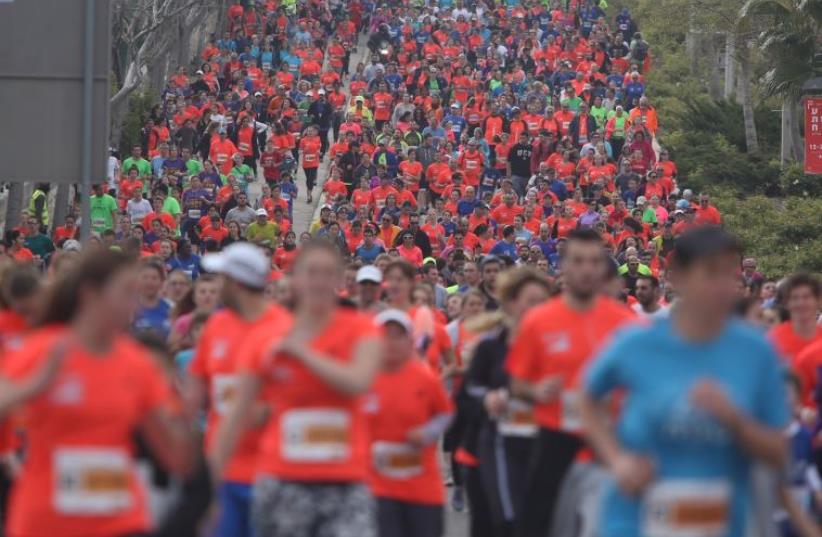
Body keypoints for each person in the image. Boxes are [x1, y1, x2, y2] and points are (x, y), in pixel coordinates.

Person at [579, 226, 789, 537]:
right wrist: (616, 459)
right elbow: (586, 395)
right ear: (676, 277)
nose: (722, 286)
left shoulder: (756, 352)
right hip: (633, 522)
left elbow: (778, 451)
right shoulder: (637, 343)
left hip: (720, 524)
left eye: (728, 274)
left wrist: (734, 419)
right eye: (709, 273)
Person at [0, 249, 193, 537]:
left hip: (119, 522)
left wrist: (178, 412)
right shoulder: (42, 349)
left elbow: (177, 457)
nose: (135, 305)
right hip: (46, 520)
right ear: (91, 294)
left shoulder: (138, 363)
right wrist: (34, 386)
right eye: (127, 292)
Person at [209, 240, 383, 537]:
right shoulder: (266, 337)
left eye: (328, 273)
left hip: (345, 480)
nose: (319, 281)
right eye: (311, 272)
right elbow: (236, 415)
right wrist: (209, 486)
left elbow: (357, 382)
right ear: (295, 279)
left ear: (341, 280)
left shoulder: (362, 329)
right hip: (282, 478)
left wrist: (302, 353)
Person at [506, 228, 635, 537]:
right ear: (563, 266)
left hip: (608, 443)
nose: (587, 269)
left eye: (594, 261)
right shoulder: (538, 321)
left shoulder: (628, 325)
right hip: (554, 440)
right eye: (578, 261)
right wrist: (535, 390)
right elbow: (516, 383)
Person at [187, 243, 291, 537]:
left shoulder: (283, 330)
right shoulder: (216, 326)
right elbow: (193, 398)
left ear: (235, 283)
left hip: (272, 475)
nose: (217, 285)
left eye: (221, 278)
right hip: (223, 475)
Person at [461, 268, 554, 537]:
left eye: (542, 302)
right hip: (502, 443)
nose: (537, 308)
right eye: (531, 300)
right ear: (512, 303)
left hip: (545, 444)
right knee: (510, 520)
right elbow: (467, 393)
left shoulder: (554, 346)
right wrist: (487, 398)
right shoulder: (491, 347)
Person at [367, 309, 453, 537]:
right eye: (385, 335)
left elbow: (446, 414)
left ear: (410, 340)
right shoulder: (363, 379)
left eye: (398, 335)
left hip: (421, 489)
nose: (392, 342)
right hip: (378, 489)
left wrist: (426, 433)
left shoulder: (425, 378)